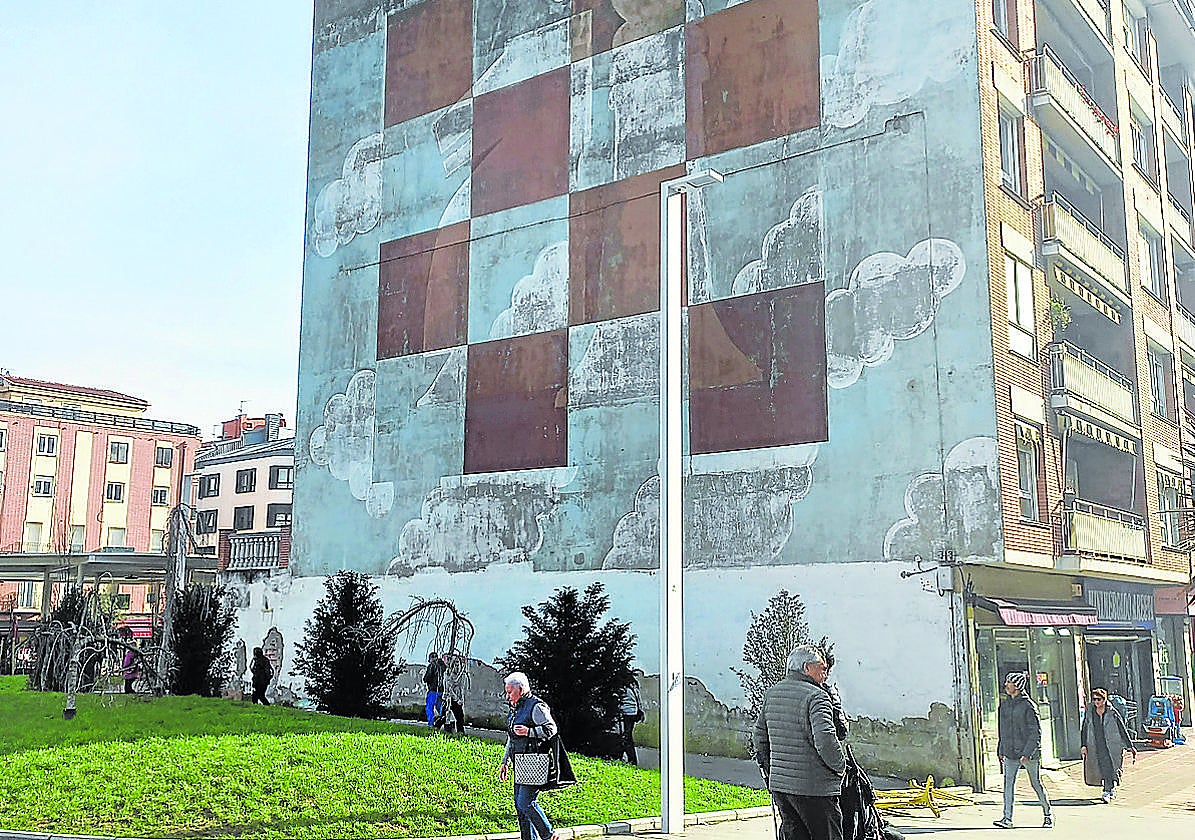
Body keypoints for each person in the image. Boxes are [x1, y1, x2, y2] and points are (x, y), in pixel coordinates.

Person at [753, 644, 846, 840]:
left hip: (782, 788)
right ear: (806, 668)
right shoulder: (817, 696)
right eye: (821, 668)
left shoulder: (773, 693)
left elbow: (760, 736)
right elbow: (825, 739)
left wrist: (773, 770)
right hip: (815, 788)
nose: (825, 674)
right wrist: (840, 766)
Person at [498, 672, 561, 840]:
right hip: (519, 762)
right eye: (507, 691)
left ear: (521, 689)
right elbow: (511, 737)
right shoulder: (516, 709)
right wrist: (505, 762)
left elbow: (551, 729)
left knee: (525, 802)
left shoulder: (536, 706)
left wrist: (529, 731)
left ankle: (549, 834)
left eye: (510, 692)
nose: (507, 696)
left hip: (534, 761)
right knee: (520, 807)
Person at [993, 672, 1052, 829]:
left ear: (1017, 686)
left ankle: (1047, 814)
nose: (1006, 685)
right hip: (1010, 752)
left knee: (1036, 783)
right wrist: (1001, 749)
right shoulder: (1005, 704)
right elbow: (1003, 729)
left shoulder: (1028, 706)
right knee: (1008, 784)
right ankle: (1007, 818)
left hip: (1028, 754)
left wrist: (1027, 753)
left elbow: (1035, 732)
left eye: (1009, 682)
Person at [1081, 687, 1136, 803]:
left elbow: (1122, 728)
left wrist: (1129, 745)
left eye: (1099, 700)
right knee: (1100, 766)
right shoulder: (1090, 712)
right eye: (1095, 699)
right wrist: (1083, 745)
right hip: (1095, 744)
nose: (1096, 702)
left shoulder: (1111, 712)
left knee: (1111, 766)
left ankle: (1108, 789)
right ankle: (1108, 788)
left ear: (1104, 700)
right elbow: (1084, 729)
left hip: (1112, 744)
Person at [619, 679, 645, 765]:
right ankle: (631, 758)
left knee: (626, 736)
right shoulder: (633, 686)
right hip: (632, 712)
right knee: (627, 735)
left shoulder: (623, 687)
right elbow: (638, 699)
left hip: (626, 712)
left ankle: (628, 758)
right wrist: (640, 711)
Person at [424, 651, 446, 727]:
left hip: (433, 690)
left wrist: (426, 679)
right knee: (439, 707)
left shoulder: (431, 666)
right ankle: (444, 720)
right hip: (440, 690)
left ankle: (431, 724)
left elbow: (427, 678)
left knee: (429, 708)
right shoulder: (441, 666)